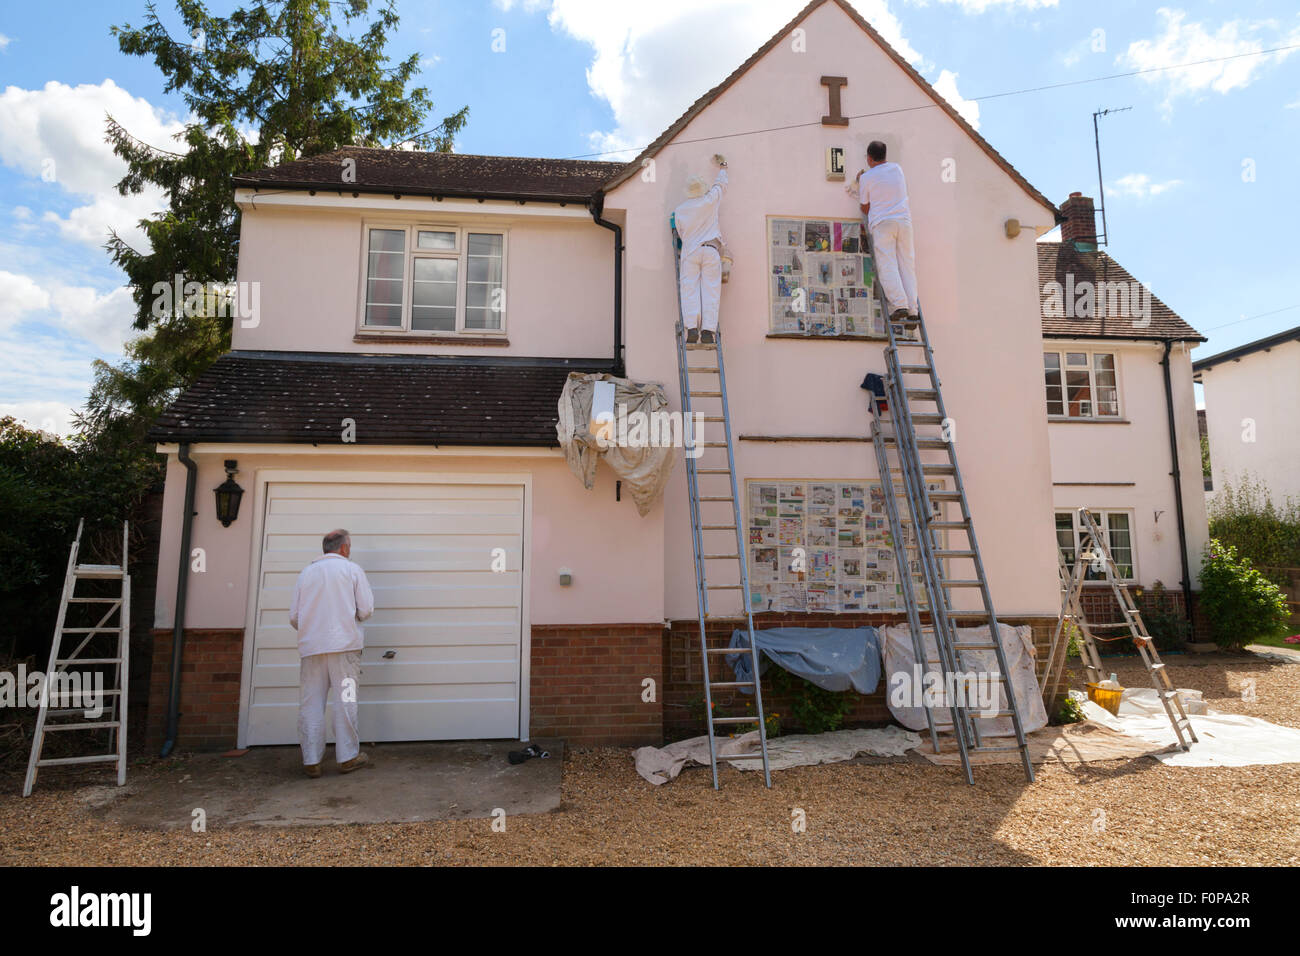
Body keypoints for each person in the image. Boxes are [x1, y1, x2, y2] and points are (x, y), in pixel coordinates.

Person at [288, 528, 375, 778]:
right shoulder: (352, 570)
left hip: (312, 649)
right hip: (345, 649)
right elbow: (366, 609)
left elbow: (294, 616)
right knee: (345, 699)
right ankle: (347, 756)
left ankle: (311, 760)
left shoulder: (306, 573)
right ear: (344, 548)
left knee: (311, 703)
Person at [855, 140, 918, 326]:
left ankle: (899, 305)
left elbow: (865, 208)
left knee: (887, 264)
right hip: (904, 223)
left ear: (869, 157)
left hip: (883, 224)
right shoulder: (897, 169)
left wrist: (861, 182)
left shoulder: (866, 178)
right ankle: (913, 309)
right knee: (907, 265)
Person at [674, 153, 729, 345]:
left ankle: (691, 329)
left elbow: (680, 233)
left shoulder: (680, 210)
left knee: (689, 291)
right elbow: (720, 186)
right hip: (711, 250)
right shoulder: (709, 200)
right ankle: (707, 330)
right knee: (711, 291)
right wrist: (723, 166)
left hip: (690, 251)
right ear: (701, 189)